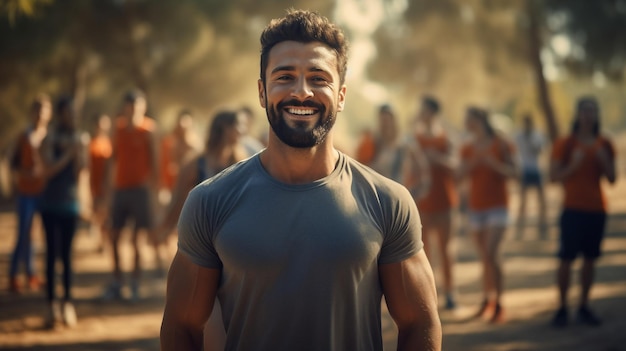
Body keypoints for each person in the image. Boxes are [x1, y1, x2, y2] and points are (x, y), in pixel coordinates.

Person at [161, 10, 441, 351]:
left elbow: (419, 322)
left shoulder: (388, 202)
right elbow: (181, 327)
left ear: (340, 95)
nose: (302, 91)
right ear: (262, 93)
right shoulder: (210, 201)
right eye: (285, 77)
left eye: (318, 78)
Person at [549, 97, 617, 327]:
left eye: (592, 111)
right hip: (571, 209)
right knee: (566, 259)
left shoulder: (604, 144)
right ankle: (562, 307)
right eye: (584, 111)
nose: (587, 116)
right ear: (577, 115)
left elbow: (612, 178)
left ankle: (584, 306)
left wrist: (604, 160)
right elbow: (553, 176)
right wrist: (573, 166)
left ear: (597, 115)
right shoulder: (565, 143)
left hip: (597, 210)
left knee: (590, 260)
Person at [458, 107, 516, 324]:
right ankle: (487, 299)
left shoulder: (501, 143)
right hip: (476, 207)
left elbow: (514, 172)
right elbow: (458, 175)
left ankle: (499, 302)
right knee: (484, 256)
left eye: (469, 119)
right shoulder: (468, 147)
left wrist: (496, 166)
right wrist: (473, 165)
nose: (466, 123)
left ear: (480, 119)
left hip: (498, 206)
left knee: (491, 253)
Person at [103, 89, 161, 301]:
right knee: (114, 236)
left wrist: (155, 193)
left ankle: (135, 283)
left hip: (140, 191)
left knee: (137, 240)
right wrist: (108, 193)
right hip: (120, 189)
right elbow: (112, 160)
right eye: (130, 106)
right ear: (125, 108)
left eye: (138, 106)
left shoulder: (149, 129)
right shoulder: (117, 129)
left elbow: (155, 163)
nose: (134, 110)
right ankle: (118, 282)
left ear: (143, 107)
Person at [39, 96, 87, 328]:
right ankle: (50, 306)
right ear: (60, 114)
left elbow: (79, 175)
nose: (72, 117)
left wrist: (77, 154)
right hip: (49, 205)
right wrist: (68, 154)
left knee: (67, 257)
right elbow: (48, 171)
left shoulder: (79, 139)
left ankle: (67, 304)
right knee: (50, 256)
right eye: (68, 112)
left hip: (70, 204)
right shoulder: (49, 138)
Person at [412, 96, 459, 310]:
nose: (422, 113)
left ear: (432, 112)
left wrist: (437, 159)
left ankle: (450, 293)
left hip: (445, 200)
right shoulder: (415, 139)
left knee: (446, 249)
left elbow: (456, 166)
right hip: (422, 201)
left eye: (424, 109)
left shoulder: (445, 138)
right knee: (424, 251)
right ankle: (428, 295)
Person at [8, 94, 51, 293]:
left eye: (44, 111)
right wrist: (25, 175)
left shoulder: (50, 137)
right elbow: (12, 165)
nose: (40, 115)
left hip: (44, 193)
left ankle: (32, 274)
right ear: (32, 113)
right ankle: (13, 275)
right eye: (37, 111)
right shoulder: (23, 137)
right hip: (26, 193)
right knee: (23, 233)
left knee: (37, 235)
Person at [356, 104, 431, 197]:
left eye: (388, 120)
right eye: (383, 121)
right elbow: (358, 166)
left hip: (396, 195)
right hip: (373, 194)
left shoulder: (405, 143)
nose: (386, 124)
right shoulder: (372, 142)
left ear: (394, 121)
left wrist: (412, 195)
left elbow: (423, 171)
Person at [514, 113, 547, 239]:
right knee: (523, 199)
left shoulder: (537, 135)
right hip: (524, 169)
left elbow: (540, 150)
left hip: (536, 168)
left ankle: (542, 223)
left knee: (541, 198)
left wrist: (532, 142)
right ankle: (521, 225)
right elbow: (516, 151)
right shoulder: (519, 135)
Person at [158, 109, 199, 204]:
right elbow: (162, 166)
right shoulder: (168, 143)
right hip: (171, 189)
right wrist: (163, 188)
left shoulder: (195, 146)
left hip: (189, 191)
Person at [88, 113, 113, 253]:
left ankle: (104, 243)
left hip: (107, 187)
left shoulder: (109, 143)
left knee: (105, 217)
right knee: (100, 216)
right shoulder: (90, 144)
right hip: (95, 186)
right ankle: (101, 242)